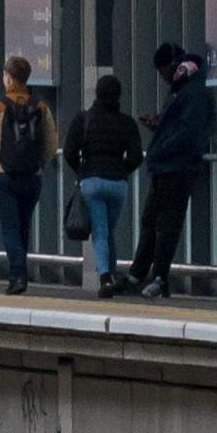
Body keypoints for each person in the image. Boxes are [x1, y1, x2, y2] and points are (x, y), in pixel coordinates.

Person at [131, 42, 217, 295]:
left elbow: (190, 132)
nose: (162, 79)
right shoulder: (181, 88)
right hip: (165, 165)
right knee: (151, 221)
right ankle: (139, 274)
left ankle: (159, 277)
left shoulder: (193, 91)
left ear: (172, 67)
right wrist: (159, 125)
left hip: (177, 166)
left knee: (166, 224)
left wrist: (163, 144)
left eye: (162, 73)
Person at [0, 55, 51, 293]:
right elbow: (50, 143)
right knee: (23, 225)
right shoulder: (41, 107)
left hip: (2, 176)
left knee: (9, 226)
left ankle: (18, 276)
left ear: (7, 77)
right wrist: (38, 166)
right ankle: (20, 271)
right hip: (32, 177)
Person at [66, 68, 141, 289]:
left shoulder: (83, 119)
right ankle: (112, 275)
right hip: (118, 183)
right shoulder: (127, 123)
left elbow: (70, 151)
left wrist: (82, 172)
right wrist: (122, 169)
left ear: (97, 94)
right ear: (119, 96)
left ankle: (105, 278)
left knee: (100, 231)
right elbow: (136, 156)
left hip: (92, 180)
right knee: (108, 231)